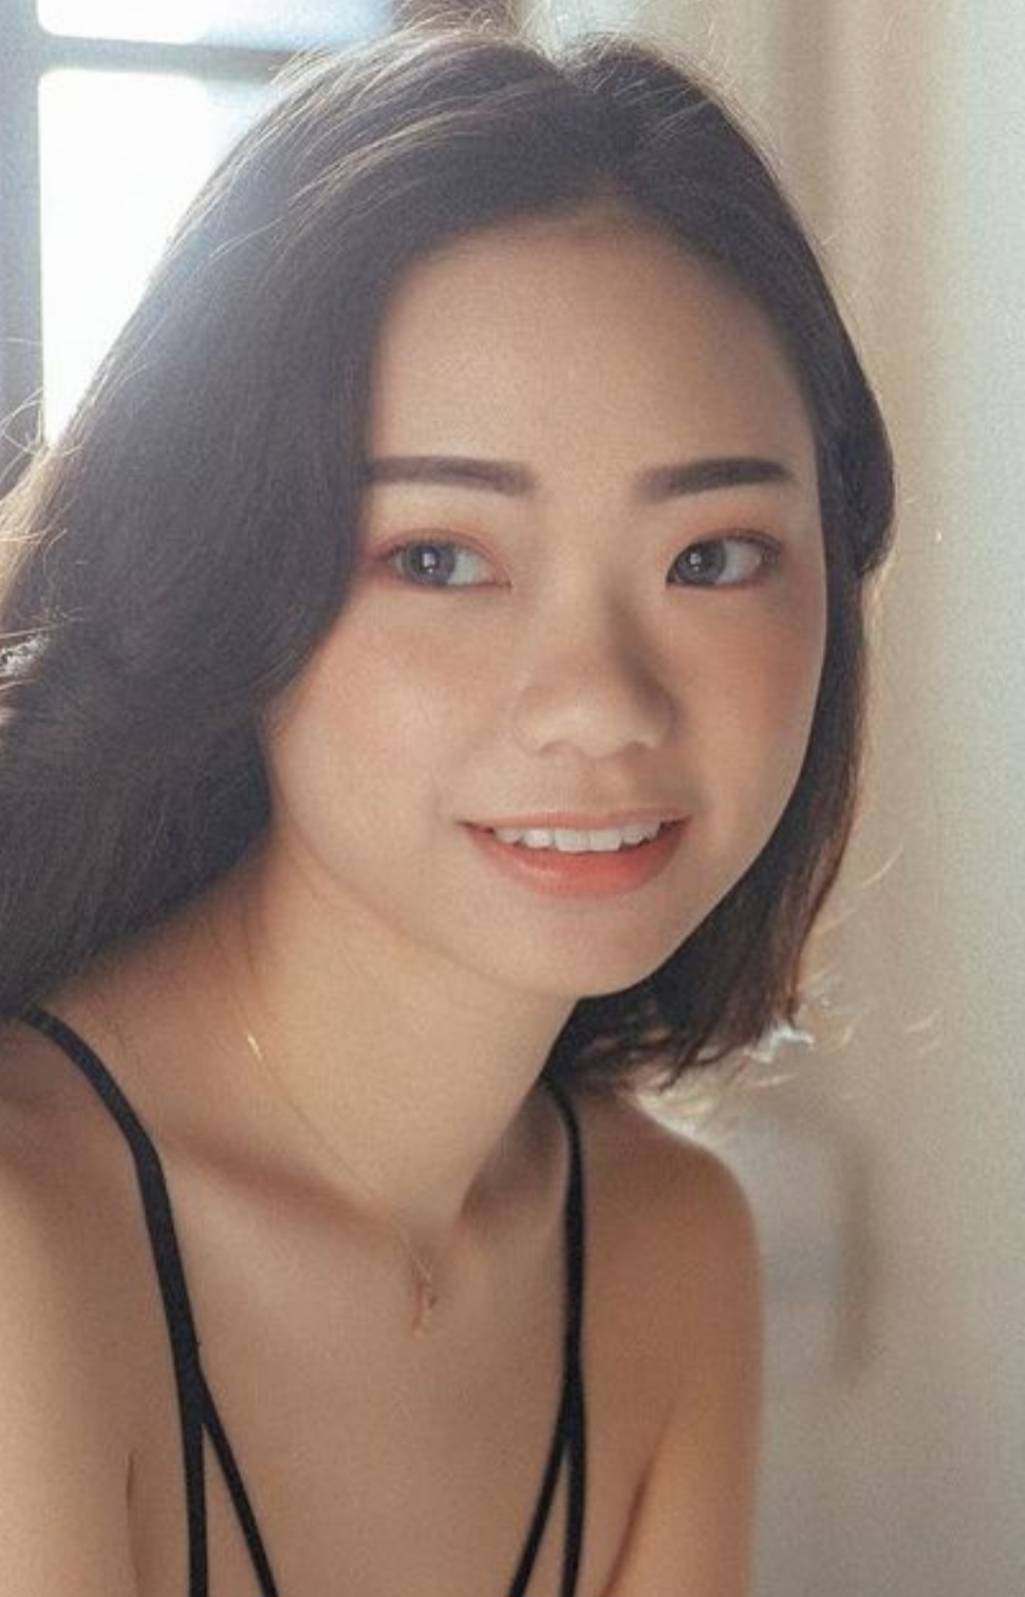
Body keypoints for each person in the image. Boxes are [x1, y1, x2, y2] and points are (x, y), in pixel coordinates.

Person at [0, 18, 895, 1597]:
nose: (601, 699)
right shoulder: (27, 1245)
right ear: (229, 580)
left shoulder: (662, 1248)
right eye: (439, 557)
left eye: (710, 556)